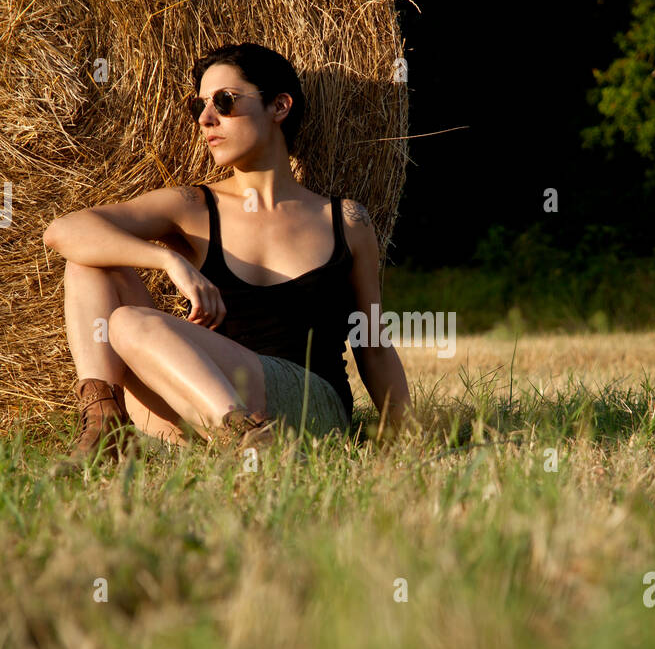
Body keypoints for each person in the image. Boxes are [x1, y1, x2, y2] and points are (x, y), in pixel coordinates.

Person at [42, 42, 414, 465]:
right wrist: (169, 260)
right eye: (198, 105)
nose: (205, 119)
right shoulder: (193, 207)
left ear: (279, 106)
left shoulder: (346, 221)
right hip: (198, 404)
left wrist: (405, 440)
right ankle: (106, 424)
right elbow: (64, 230)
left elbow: (374, 345)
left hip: (308, 406)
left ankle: (252, 439)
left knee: (127, 322)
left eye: (224, 101)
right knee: (89, 259)